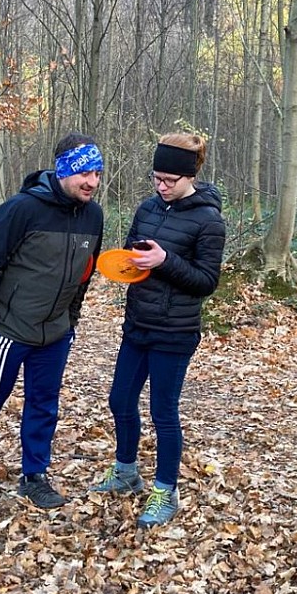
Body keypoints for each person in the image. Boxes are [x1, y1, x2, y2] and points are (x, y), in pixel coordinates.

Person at [0, 133, 105, 509]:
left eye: (98, 174)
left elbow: (86, 273)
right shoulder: (21, 209)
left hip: (55, 334)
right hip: (8, 330)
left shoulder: (94, 216)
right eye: (85, 173)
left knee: (43, 405)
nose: (92, 182)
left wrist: (71, 319)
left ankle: (35, 475)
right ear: (65, 169)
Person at [89, 133, 225, 528]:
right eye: (156, 178)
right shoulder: (148, 208)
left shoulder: (209, 220)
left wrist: (165, 261)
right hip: (138, 324)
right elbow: (135, 253)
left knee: (163, 412)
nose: (162, 186)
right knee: (119, 400)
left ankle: (167, 490)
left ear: (190, 176)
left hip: (175, 331)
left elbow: (206, 282)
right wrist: (126, 262)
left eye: (170, 180)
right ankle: (126, 471)